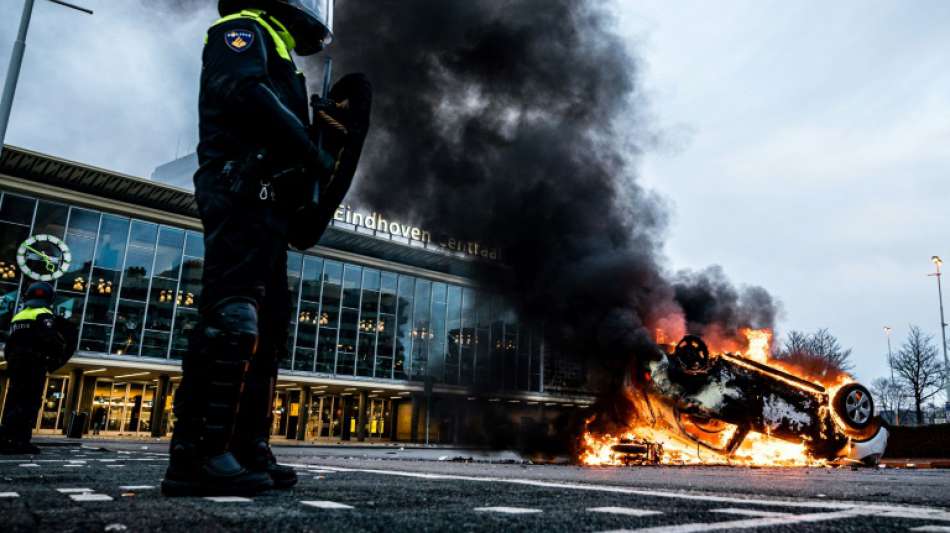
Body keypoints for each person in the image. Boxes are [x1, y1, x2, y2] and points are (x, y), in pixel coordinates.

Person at [162, 0, 370, 496]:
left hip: (269, 199)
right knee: (232, 318)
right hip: (239, 187)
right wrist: (308, 143)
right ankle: (198, 456)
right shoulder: (240, 29)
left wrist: (324, 135)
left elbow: (275, 120)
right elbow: (244, 91)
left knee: (269, 327)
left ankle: (247, 445)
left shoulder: (277, 46)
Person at [0, 281, 76, 454]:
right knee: (30, 402)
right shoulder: (44, 314)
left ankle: (9, 438)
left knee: (14, 400)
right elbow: (50, 339)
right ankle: (19, 440)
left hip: (16, 363)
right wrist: (54, 358)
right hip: (34, 363)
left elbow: (11, 343)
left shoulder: (19, 315)